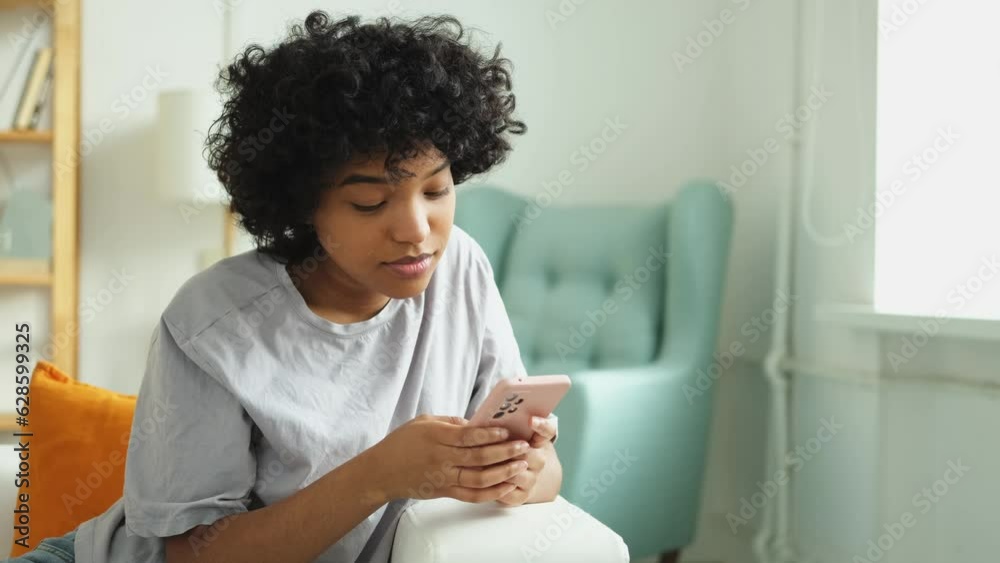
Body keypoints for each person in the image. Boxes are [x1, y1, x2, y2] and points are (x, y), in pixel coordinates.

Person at [11, 10, 561, 563]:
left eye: (437, 190)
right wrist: (379, 475)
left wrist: (520, 474)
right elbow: (191, 555)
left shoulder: (460, 267)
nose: (417, 231)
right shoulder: (214, 318)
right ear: (304, 204)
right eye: (370, 202)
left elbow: (548, 474)